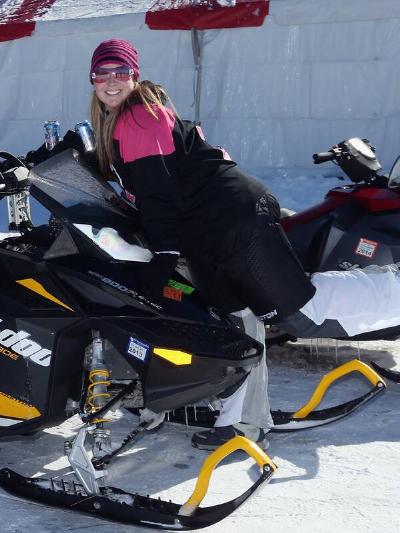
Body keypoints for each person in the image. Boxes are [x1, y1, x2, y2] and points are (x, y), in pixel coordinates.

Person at [83, 38, 400, 450]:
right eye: (102, 73)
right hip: (210, 232)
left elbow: (158, 195)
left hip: (235, 221)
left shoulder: (140, 117)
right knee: (237, 322)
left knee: (301, 313)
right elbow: (129, 171)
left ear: (134, 76)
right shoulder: (123, 119)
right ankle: (245, 421)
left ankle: (393, 288)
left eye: (120, 72)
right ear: (92, 79)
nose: (111, 81)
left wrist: (164, 254)